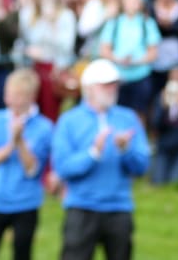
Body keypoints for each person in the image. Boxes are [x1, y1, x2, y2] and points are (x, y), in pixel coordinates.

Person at [52, 59, 150, 260]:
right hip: (81, 207)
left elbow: (141, 167)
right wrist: (93, 153)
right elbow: (62, 167)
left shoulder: (128, 117)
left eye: (114, 84)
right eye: (105, 84)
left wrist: (125, 150)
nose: (112, 89)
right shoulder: (69, 121)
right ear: (88, 88)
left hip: (119, 208)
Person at [0, 70, 53, 260]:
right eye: (8, 93)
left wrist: (21, 142)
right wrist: (11, 144)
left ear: (31, 97)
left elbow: (33, 170)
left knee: (22, 253)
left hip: (26, 203)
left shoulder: (44, 127)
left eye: (16, 95)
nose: (9, 99)